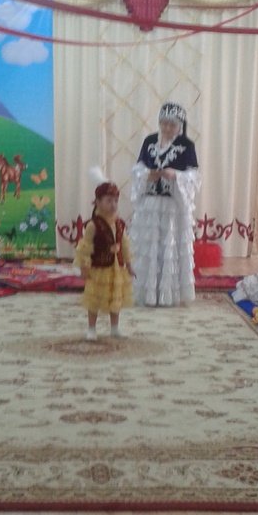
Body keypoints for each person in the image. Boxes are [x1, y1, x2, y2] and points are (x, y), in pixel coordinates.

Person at [130, 102, 199, 306]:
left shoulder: (187, 145)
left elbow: (194, 176)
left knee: (169, 248)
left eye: (172, 125)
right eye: (164, 124)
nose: (167, 128)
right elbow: (138, 168)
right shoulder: (149, 141)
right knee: (150, 248)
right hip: (150, 205)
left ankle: (168, 295)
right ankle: (147, 294)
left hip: (172, 207)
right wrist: (146, 175)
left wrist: (175, 175)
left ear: (180, 126)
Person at [75, 180, 134, 340]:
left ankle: (114, 328)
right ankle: (91, 329)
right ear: (98, 202)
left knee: (116, 297)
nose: (113, 205)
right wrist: (84, 266)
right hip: (99, 268)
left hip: (117, 268)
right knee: (95, 298)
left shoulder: (120, 224)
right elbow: (85, 247)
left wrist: (128, 264)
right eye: (108, 201)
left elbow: (125, 244)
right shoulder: (93, 225)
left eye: (115, 201)